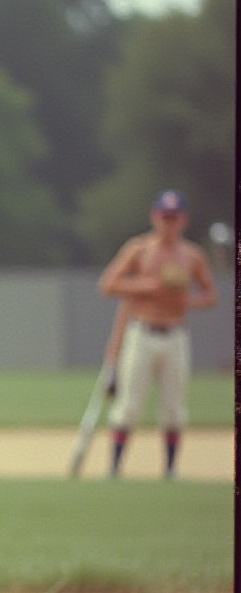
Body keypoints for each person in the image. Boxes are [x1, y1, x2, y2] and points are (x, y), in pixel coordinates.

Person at [97, 190, 218, 478]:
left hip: (175, 333)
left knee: (174, 406)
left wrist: (184, 301)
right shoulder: (140, 250)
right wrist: (147, 286)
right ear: (155, 217)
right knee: (129, 405)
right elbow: (108, 284)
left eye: (174, 218)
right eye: (164, 217)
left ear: (183, 221)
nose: (169, 224)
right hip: (142, 331)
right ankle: (115, 467)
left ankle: (171, 467)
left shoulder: (191, 255)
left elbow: (210, 295)